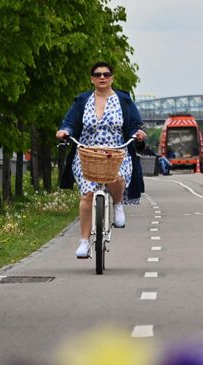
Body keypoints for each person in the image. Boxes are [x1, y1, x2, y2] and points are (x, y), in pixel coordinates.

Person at [56, 61, 147, 258]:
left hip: (116, 152)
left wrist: (138, 133)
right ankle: (84, 242)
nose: (102, 77)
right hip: (87, 153)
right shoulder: (82, 100)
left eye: (106, 74)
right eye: (98, 74)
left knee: (117, 177)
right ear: (92, 79)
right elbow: (70, 122)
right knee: (87, 194)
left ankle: (117, 204)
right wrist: (65, 131)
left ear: (112, 77)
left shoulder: (123, 100)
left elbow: (134, 124)